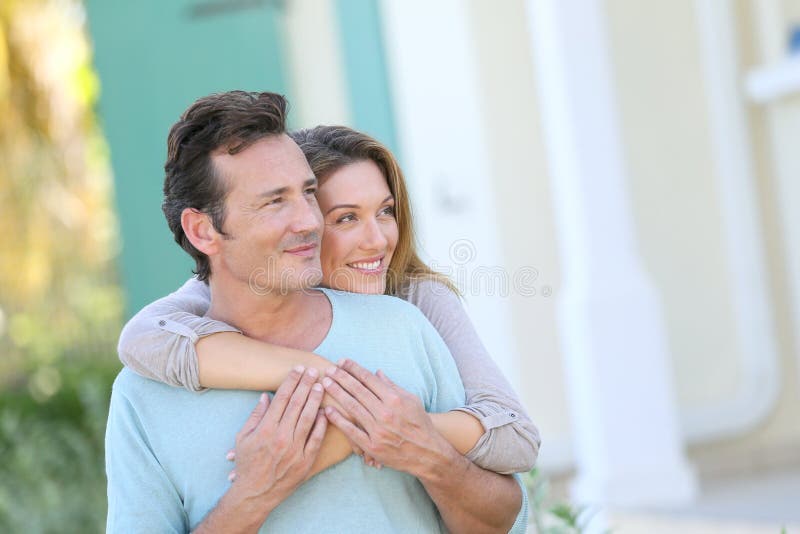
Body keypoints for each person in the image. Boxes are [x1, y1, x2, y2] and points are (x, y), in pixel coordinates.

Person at [105, 90, 529, 533]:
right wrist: (254, 496)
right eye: (275, 201)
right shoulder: (144, 395)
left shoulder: (403, 325)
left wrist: (426, 449)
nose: (310, 221)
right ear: (202, 229)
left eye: (308, 194)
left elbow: (504, 518)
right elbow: (145, 332)